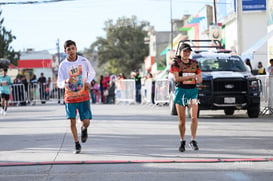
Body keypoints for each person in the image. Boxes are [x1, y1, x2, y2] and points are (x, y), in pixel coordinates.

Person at [57, 40, 96, 154]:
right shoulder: (63, 65)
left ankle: (84, 129)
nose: (71, 51)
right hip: (70, 97)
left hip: (83, 96)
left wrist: (88, 81)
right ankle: (76, 144)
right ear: (65, 51)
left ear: (76, 49)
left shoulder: (83, 60)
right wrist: (66, 81)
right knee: (72, 122)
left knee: (87, 121)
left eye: (73, 48)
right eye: (68, 49)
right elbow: (59, 83)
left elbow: (92, 72)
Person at [170, 43, 202, 152]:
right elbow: (176, 79)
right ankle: (182, 140)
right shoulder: (175, 63)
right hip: (181, 92)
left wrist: (198, 78)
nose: (186, 53)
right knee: (182, 120)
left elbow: (200, 78)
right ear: (180, 52)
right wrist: (192, 76)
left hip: (192, 92)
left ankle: (193, 140)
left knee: (194, 117)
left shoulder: (194, 63)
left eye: (188, 51)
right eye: (184, 51)